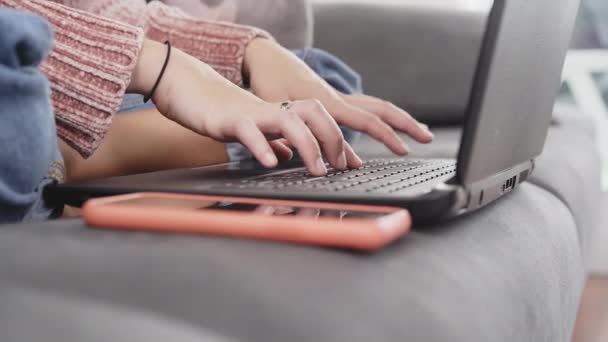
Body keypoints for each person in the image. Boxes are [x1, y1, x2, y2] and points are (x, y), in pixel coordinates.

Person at [0, 0, 434, 223]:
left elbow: (100, 12)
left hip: (62, 70)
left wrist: (250, 50)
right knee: (15, 120)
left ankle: (62, 153)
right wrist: (156, 67)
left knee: (322, 80)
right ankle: (72, 157)